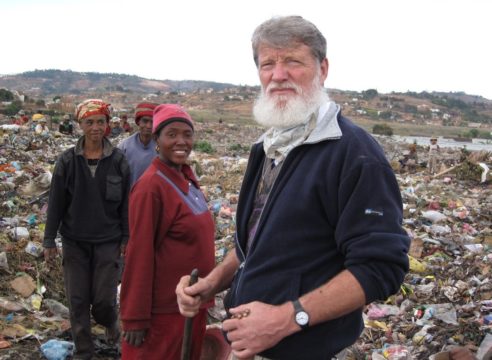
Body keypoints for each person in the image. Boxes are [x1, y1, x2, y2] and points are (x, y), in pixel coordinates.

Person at [176, 15, 410, 360]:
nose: (278, 74)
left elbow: (381, 267)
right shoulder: (269, 147)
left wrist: (287, 318)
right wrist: (213, 282)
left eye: (292, 62)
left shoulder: (353, 155)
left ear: (323, 68)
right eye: (268, 63)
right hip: (250, 345)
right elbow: (256, 242)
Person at [120, 104, 215, 360]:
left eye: (187, 134)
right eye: (171, 134)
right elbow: (138, 252)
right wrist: (135, 317)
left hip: (191, 307)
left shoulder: (186, 179)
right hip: (163, 313)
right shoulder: (151, 187)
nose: (181, 141)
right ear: (156, 140)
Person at [43, 99, 130, 360]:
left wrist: (126, 237)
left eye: (100, 122)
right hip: (74, 242)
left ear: (107, 125)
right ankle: (84, 352)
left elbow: (126, 203)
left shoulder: (118, 161)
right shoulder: (67, 161)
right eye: (89, 122)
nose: (95, 127)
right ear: (80, 125)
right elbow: (56, 203)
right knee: (78, 300)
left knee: (104, 301)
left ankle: (111, 326)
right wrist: (49, 241)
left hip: (108, 241)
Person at [117, 102, 158, 187]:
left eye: (152, 122)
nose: (149, 126)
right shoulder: (124, 146)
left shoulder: (162, 147)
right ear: (138, 122)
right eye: (145, 121)